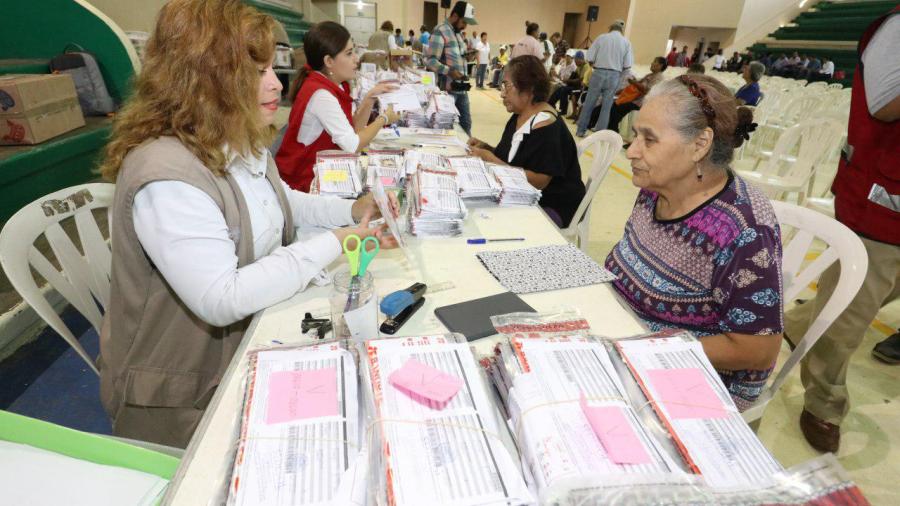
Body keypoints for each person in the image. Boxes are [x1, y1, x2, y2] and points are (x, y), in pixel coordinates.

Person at [97, 1, 399, 447]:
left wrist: (350, 210)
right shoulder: (165, 175)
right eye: (255, 72)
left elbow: (281, 203)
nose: (275, 84)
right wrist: (336, 242)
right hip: (181, 393)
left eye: (271, 68)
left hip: (238, 349)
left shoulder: (233, 135)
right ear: (203, 79)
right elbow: (222, 297)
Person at [606, 73, 780, 411]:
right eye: (635, 135)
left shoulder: (744, 229)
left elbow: (758, 350)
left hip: (696, 377)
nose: (631, 150)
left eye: (649, 139)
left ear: (699, 145)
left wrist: (647, 348)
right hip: (629, 338)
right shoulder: (655, 189)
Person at [784, 6, 900, 454]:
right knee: (849, 317)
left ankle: (796, 321)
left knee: (864, 293)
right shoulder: (896, 27)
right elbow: (884, 106)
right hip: (881, 199)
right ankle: (823, 404)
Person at [276, 22, 400, 192]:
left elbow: (353, 129)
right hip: (303, 182)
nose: (356, 58)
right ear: (328, 61)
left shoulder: (334, 84)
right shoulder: (321, 95)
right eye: (349, 54)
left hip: (322, 171)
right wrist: (383, 119)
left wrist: (370, 97)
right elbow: (353, 144)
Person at [468, 55, 586, 227]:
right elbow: (511, 158)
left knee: (495, 223)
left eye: (507, 86)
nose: (502, 94)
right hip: (524, 193)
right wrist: (485, 148)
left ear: (529, 89)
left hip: (554, 202)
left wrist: (489, 158)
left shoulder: (546, 126)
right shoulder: (519, 116)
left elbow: (539, 181)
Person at [427, 1, 478, 136]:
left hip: (461, 88)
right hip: (447, 90)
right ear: (455, 16)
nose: (465, 26)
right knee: (446, 126)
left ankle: (467, 154)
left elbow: (458, 56)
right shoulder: (440, 31)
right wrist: (449, 71)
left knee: (466, 124)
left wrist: (468, 56)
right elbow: (430, 61)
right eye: (463, 22)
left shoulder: (458, 34)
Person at [576, 19, 633, 137]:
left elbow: (590, 57)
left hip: (599, 72)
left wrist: (595, 65)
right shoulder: (626, 42)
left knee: (589, 103)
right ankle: (599, 134)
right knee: (606, 107)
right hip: (614, 75)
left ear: (610, 28)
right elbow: (627, 65)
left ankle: (581, 130)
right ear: (621, 30)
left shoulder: (601, 38)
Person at [598, 56, 667, 135]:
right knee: (614, 105)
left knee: (618, 108)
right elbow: (636, 86)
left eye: (655, 61)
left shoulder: (659, 78)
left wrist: (634, 82)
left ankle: (613, 132)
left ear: (660, 65)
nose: (652, 63)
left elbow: (648, 91)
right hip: (634, 99)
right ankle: (611, 130)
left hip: (641, 103)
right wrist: (629, 85)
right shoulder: (650, 75)